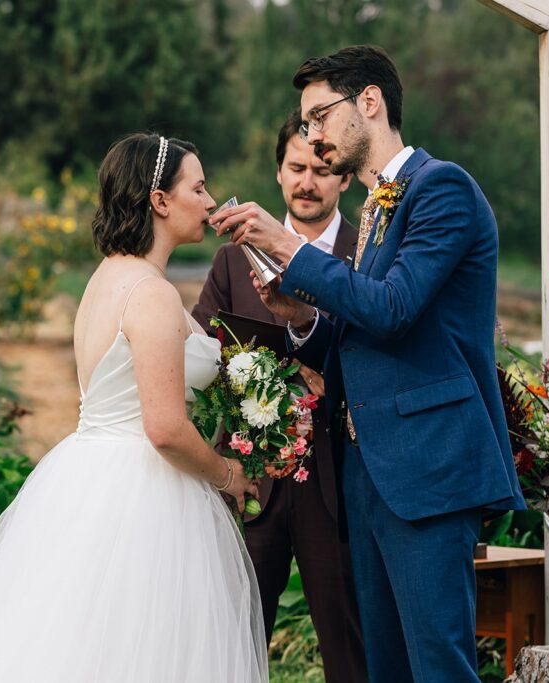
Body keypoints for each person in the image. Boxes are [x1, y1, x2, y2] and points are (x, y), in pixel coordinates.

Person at [209, 45, 526, 682]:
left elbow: (395, 307)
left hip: (428, 467)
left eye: (319, 115)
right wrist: (301, 317)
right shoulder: (378, 207)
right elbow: (363, 337)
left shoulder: (442, 188)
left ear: (371, 102)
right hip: (370, 475)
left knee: (437, 668)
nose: (312, 135)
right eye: (304, 123)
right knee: (384, 669)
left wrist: (285, 245)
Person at [0, 133, 268, 682]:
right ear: (159, 200)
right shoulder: (149, 294)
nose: (209, 201)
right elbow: (166, 427)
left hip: (86, 473)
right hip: (147, 493)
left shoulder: (108, 279)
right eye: (197, 188)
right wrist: (227, 475)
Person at [192, 108, 367, 683]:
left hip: (339, 481)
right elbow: (201, 360)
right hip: (252, 482)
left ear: (343, 177)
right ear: (278, 174)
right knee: (236, 641)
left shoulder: (365, 257)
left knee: (350, 647)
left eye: (321, 169)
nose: (307, 182)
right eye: (295, 168)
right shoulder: (229, 260)